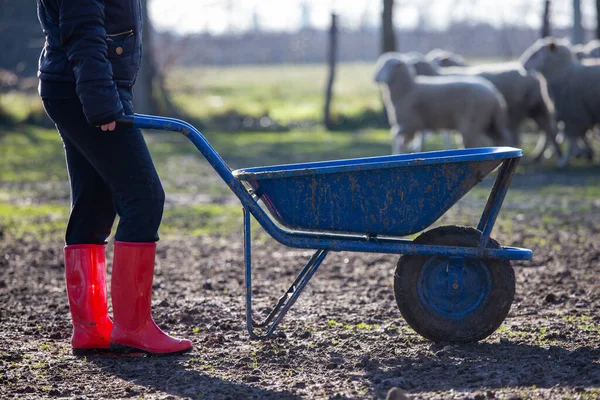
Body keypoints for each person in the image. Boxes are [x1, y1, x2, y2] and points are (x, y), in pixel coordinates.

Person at [36, 0, 192, 356]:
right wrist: (103, 103)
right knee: (144, 198)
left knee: (95, 201)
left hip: (76, 86)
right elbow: (83, 30)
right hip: (87, 89)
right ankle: (133, 328)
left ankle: (91, 328)